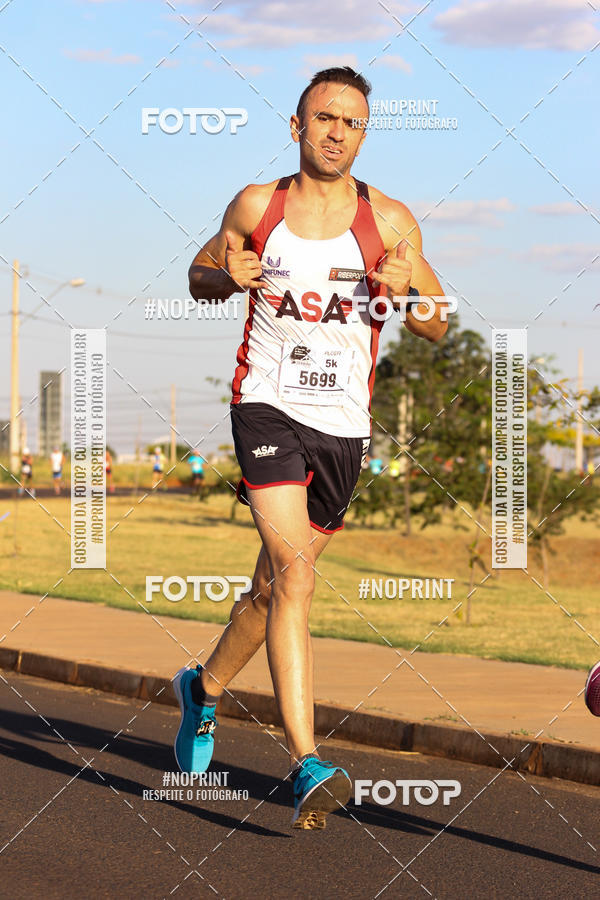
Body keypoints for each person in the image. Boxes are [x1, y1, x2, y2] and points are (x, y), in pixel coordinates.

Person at [175, 66, 447, 830]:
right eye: (324, 118)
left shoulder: (390, 222)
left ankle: (201, 689)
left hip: (343, 428)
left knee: (268, 593)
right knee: (295, 576)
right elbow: (201, 275)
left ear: (365, 134)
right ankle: (306, 761)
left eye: (352, 122)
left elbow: (438, 323)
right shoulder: (257, 205)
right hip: (265, 407)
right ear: (296, 127)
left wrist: (405, 291)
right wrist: (222, 277)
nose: (337, 132)